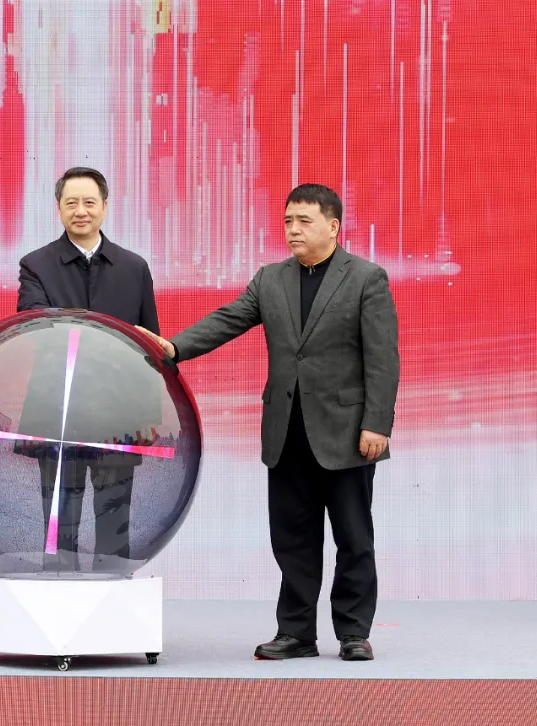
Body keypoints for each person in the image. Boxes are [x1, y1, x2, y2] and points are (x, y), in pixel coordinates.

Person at [137, 184, 399, 661]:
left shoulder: (366, 278)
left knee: (353, 537)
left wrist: (377, 424)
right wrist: (174, 347)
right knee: (292, 538)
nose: (293, 230)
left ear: (333, 226)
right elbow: (228, 319)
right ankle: (296, 632)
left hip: (346, 433)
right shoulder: (270, 279)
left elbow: (383, 360)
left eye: (304, 221)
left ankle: (353, 632)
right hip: (286, 431)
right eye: (287, 222)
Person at [15, 167, 161, 574]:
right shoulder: (36, 264)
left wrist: (147, 415)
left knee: (115, 523)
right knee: (59, 523)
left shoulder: (134, 267)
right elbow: (34, 323)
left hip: (119, 415)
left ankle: (111, 602)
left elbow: (150, 345)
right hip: (56, 411)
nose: (81, 211)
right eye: (71, 203)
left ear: (105, 207)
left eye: (89, 202)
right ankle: (59, 600)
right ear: (59, 209)